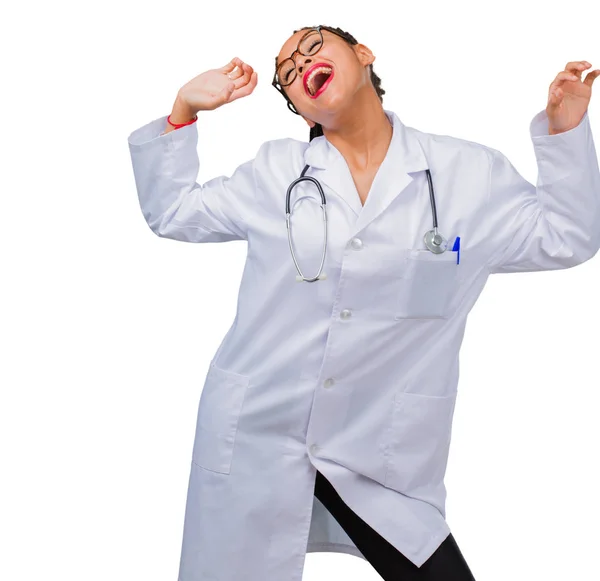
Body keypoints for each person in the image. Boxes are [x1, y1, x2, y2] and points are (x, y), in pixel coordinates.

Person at [127, 24, 599, 581]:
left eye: (312, 48)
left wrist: (565, 132)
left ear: (363, 54)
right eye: (287, 74)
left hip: (379, 450)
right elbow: (173, 212)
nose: (301, 66)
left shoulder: (467, 175)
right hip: (260, 434)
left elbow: (567, 235)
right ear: (302, 112)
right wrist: (183, 110)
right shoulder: (276, 172)